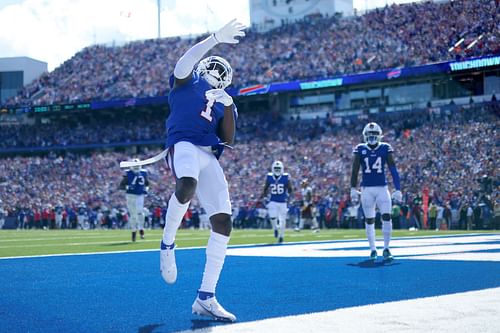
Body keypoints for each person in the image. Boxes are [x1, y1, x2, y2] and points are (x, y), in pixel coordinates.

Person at [159, 19, 245, 322]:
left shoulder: (224, 101)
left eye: (223, 72)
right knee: (186, 184)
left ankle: (206, 297)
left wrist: (230, 105)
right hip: (183, 144)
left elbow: (229, 140)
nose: (218, 73)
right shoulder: (186, 81)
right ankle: (168, 242)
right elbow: (184, 62)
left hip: (208, 154)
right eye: (215, 66)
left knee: (223, 222)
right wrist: (215, 39)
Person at [350, 122, 402, 261]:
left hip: (382, 188)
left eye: (374, 134)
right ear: (365, 136)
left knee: (386, 217)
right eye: (369, 134)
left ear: (379, 136)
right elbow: (355, 170)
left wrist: (398, 188)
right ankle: (373, 249)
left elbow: (393, 168)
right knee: (370, 220)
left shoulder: (385, 148)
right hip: (366, 189)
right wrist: (352, 188)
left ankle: (386, 248)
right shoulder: (360, 149)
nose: (372, 137)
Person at [259, 160, 293, 243]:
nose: (277, 170)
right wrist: (263, 196)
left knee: (283, 220)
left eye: (279, 168)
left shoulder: (285, 177)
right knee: (272, 217)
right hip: (273, 201)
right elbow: (266, 187)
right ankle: (275, 228)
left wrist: (289, 197)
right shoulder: (269, 177)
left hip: (283, 201)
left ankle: (281, 236)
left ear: (282, 169)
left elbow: (290, 189)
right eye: (276, 168)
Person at [119, 160, 150, 242]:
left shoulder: (143, 173)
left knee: (140, 213)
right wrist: (127, 187)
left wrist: (146, 189)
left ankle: (141, 229)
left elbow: (147, 184)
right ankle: (133, 232)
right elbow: (121, 185)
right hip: (130, 196)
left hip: (140, 195)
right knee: (133, 215)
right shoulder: (128, 173)